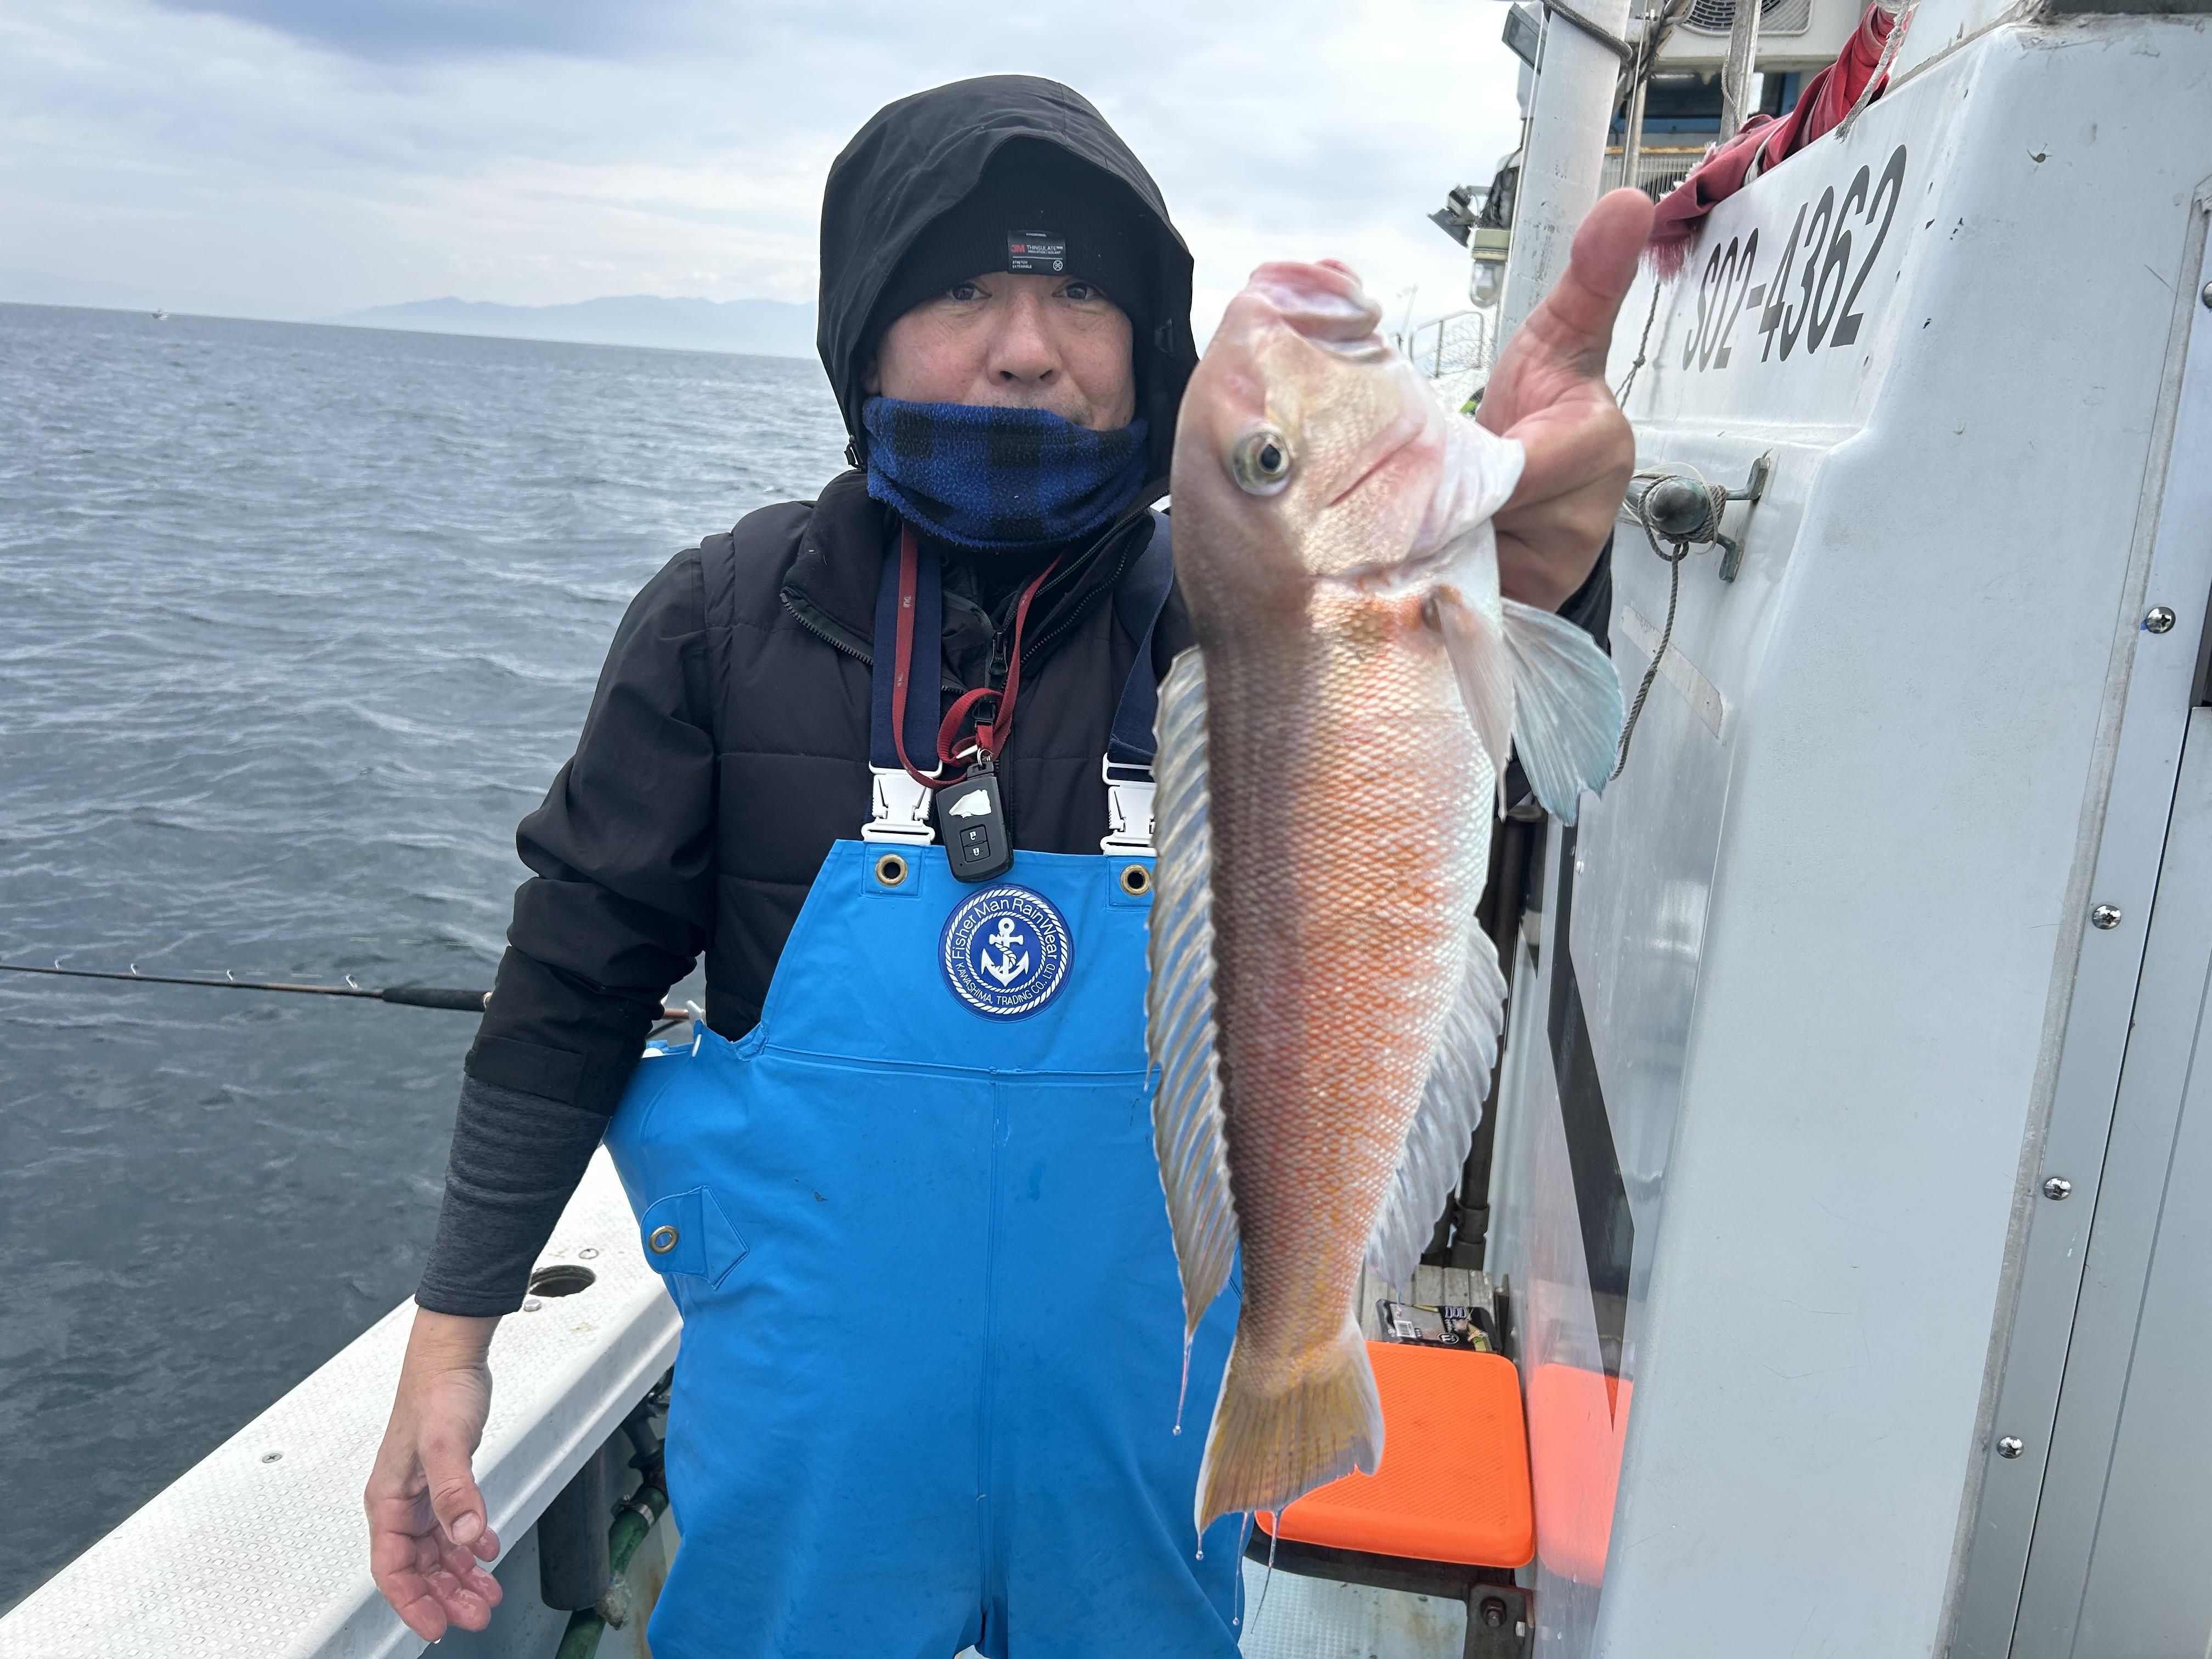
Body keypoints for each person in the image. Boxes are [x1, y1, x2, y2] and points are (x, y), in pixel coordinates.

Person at [365, 74, 1652, 1658]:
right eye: (965, 288)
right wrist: (452, 1340)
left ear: (1149, 346)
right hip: (806, 1477)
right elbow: (571, 980)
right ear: (864, 332)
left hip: (1150, 1449)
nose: (1029, 345)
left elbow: (1436, 813)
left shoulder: (1243, 612)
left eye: (1082, 294)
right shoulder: (722, 621)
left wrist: (1532, 590)